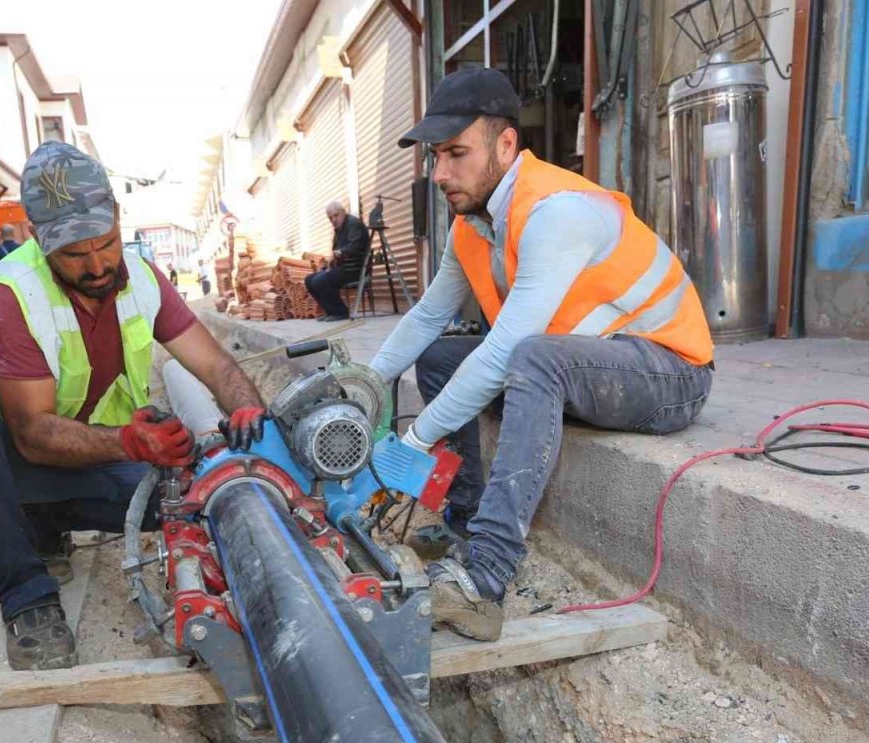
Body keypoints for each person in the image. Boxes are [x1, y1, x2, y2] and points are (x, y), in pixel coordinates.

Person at [369, 68, 715, 642]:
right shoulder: (472, 225)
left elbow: (508, 350)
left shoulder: (557, 210)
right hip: (591, 368)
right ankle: (464, 514)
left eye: (457, 153)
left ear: (506, 145)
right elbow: (428, 316)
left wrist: (414, 442)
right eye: (436, 156)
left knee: (530, 357)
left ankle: (484, 578)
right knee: (438, 356)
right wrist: (363, 382)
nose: (441, 174)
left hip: (669, 373)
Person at [0, 141, 267, 671]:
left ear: (119, 218)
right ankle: (26, 596)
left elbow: (216, 367)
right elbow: (30, 435)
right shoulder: (12, 294)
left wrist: (248, 412)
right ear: (37, 236)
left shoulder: (142, 278)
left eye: (107, 243)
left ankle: (42, 523)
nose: (98, 265)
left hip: (67, 453)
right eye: (75, 254)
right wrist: (126, 440)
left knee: (178, 501)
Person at [305, 201, 369, 321]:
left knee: (320, 281)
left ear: (343, 212)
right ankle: (330, 311)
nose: (333, 220)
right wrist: (326, 266)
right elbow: (335, 251)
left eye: (336, 215)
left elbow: (355, 246)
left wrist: (341, 252)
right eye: (330, 218)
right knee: (309, 279)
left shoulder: (353, 223)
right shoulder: (339, 229)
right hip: (342, 268)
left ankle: (340, 312)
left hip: (354, 269)